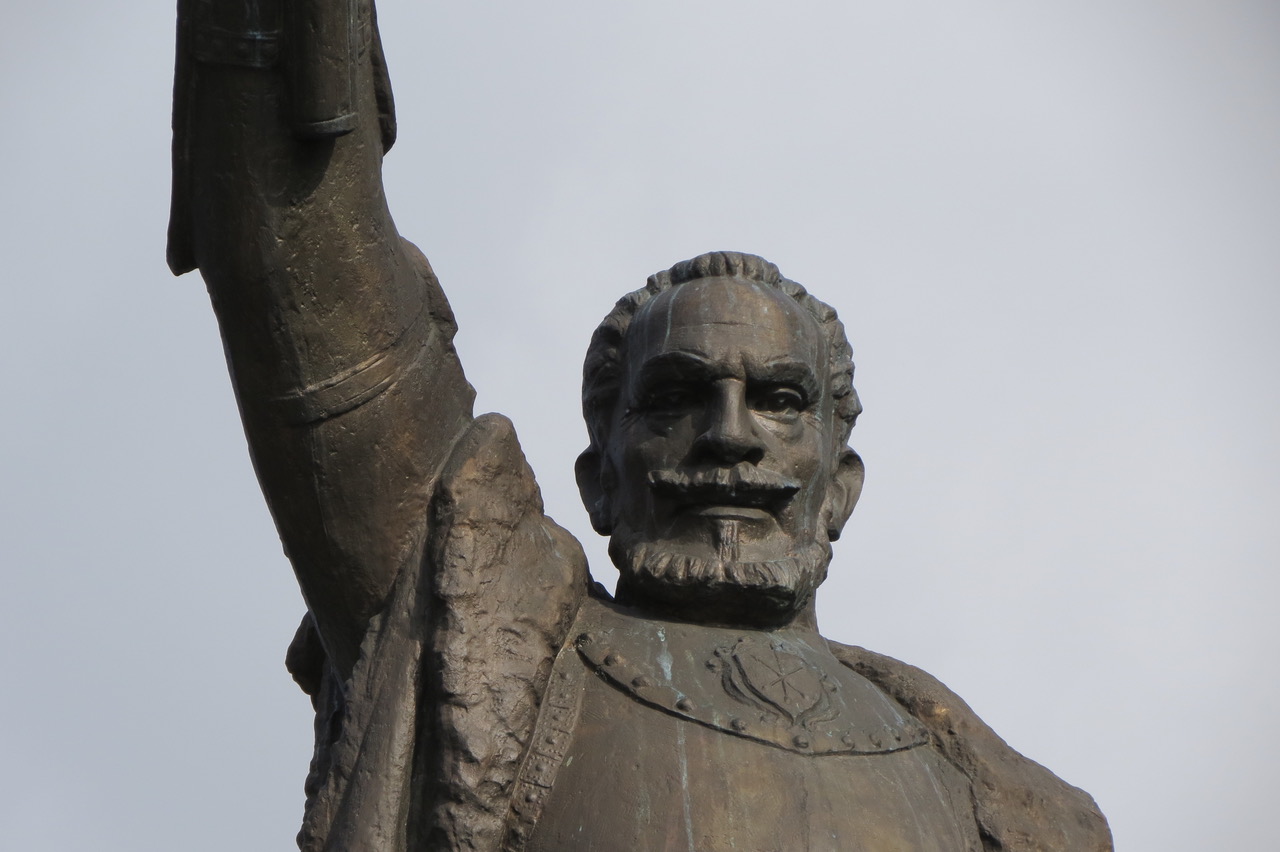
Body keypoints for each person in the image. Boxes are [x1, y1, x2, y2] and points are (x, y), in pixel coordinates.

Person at [169, 1, 1112, 849]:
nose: (729, 436)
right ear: (598, 480)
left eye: (780, 401)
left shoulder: (1002, 800)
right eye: (673, 399)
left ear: (843, 481)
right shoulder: (480, 627)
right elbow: (294, 274)